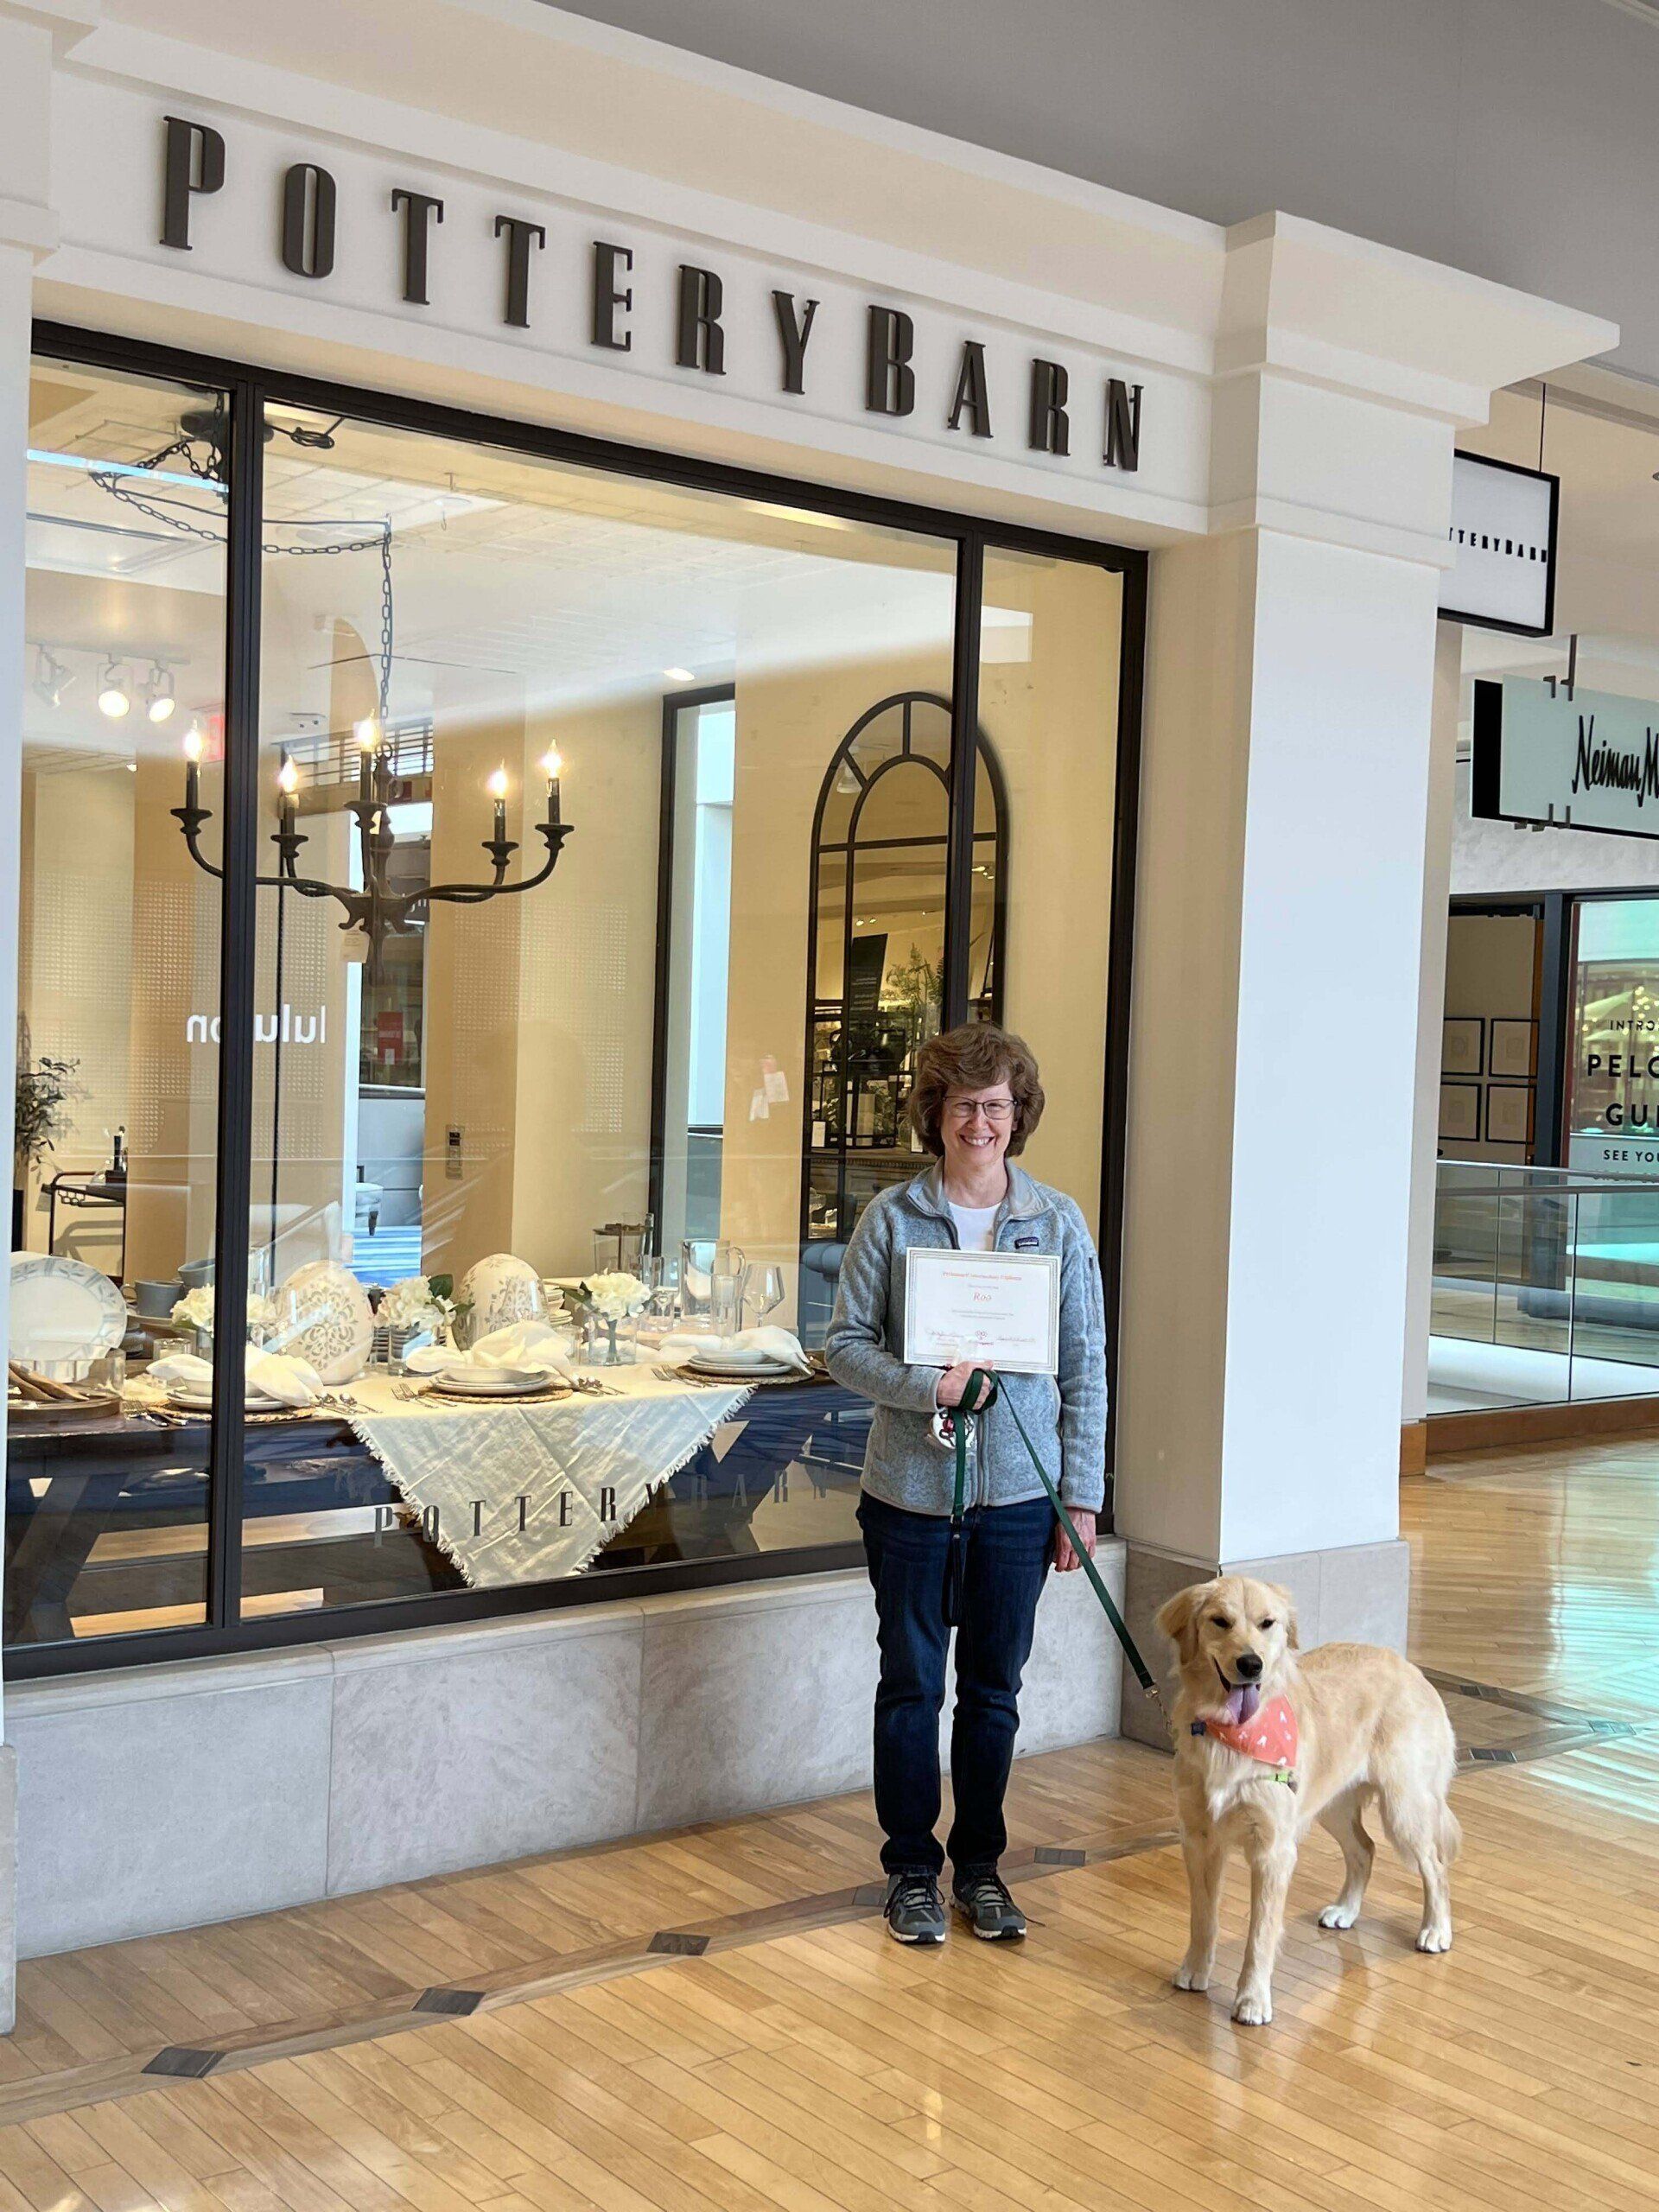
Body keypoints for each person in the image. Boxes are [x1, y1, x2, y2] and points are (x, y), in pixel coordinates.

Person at [823, 1022, 1106, 1945]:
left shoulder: (1057, 1221)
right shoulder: (892, 1218)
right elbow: (842, 1347)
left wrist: (1082, 1494)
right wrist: (928, 1386)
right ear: (934, 1114)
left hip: (1020, 1502)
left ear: (1016, 1114)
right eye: (962, 1105)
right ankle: (910, 1871)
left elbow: (1085, 1365)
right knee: (910, 1686)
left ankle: (981, 1868)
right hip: (908, 1494)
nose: (979, 1122)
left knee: (994, 1691)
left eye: (996, 1105)